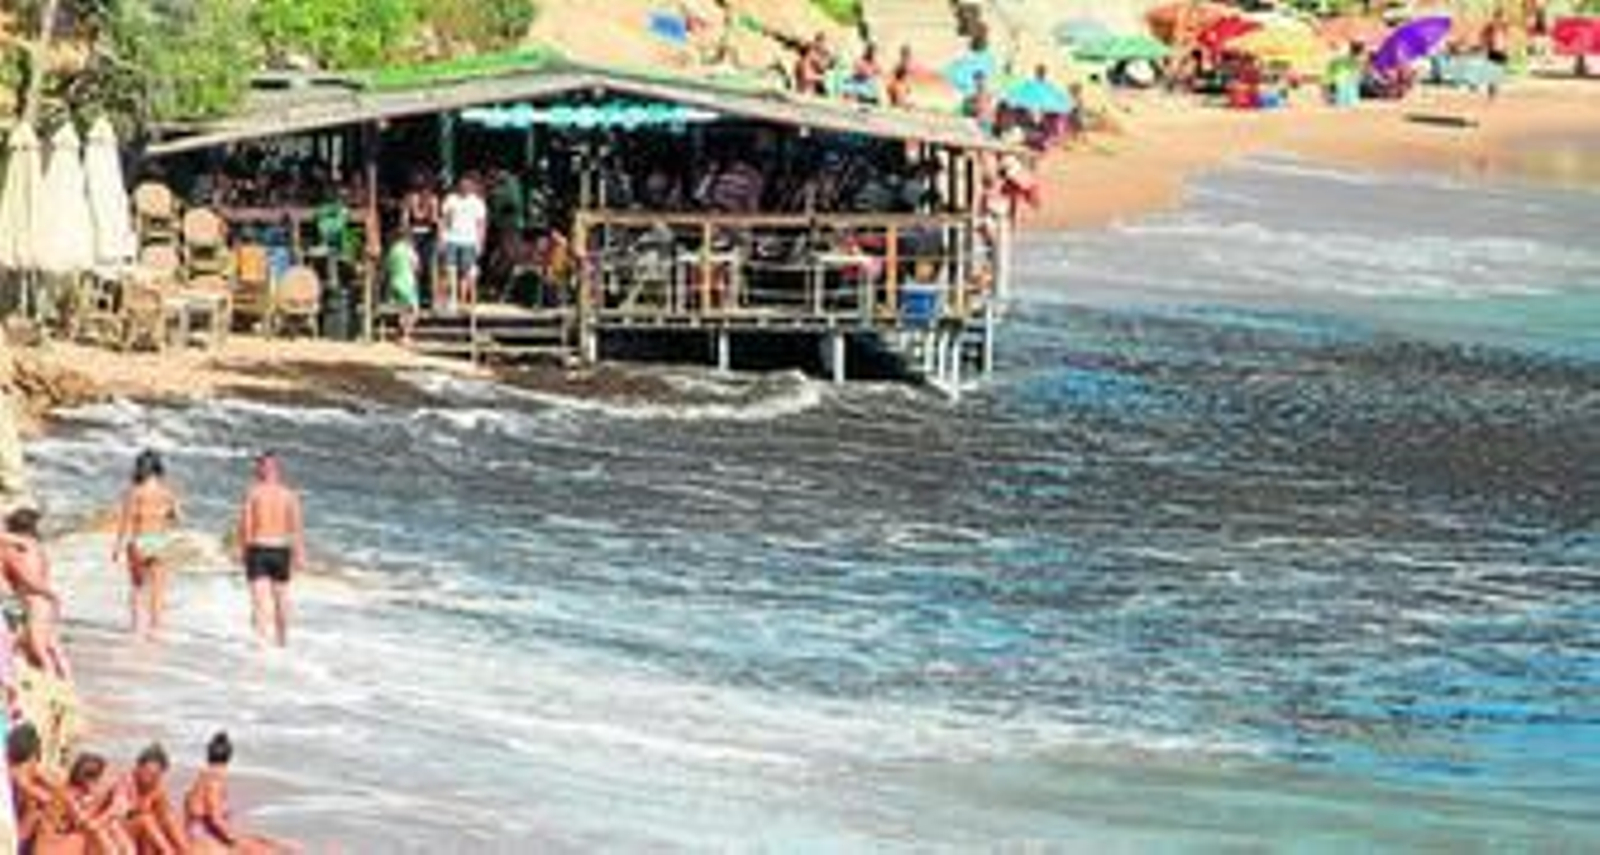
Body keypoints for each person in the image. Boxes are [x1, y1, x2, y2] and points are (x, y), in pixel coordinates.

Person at [236, 455, 304, 648]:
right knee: (281, 599)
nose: (256, 470)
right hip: (281, 548)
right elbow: (296, 527)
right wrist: (299, 554)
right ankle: (282, 642)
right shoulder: (289, 495)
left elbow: (246, 525)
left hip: (258, 547)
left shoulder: (253, 493)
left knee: (259, 600)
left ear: (263, 469)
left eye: (258, 467)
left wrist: (243, 550)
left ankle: (260, 644)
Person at [185, 733, 295, 855]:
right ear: (229, 757)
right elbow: (215, 819)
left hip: (201, 835)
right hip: (205, 840)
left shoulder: (202, 777)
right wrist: (237, 840)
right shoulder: (214, 780)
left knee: (267, 842)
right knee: (273, 849)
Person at [112, 450, 181, 638]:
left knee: (137, 587)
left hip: (140, 540)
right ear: (158, 468)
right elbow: (177, 517)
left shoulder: (135, 492)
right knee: (158, 589)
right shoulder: (167, 492)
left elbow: (125, 521)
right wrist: (165, 514)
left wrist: (117, 547)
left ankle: (137, 628)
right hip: (160, 540)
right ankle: (156, 628)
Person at [0, 508, 70, 681]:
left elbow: (30, 579)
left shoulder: (19, 549)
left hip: (35, 601)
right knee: (50, 645)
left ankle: (50, 680)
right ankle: (64, 680)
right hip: (38, 602)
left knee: (38, 647)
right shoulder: (33, 546)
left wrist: (49, 593)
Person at [121, 744, 187, 855]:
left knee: (169, 818)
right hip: (120, 832)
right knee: (146, 820)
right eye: (147, 772)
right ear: (138, 767)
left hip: (144, 833)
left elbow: (166, 814)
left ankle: (185, 851)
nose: (149, 778)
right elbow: (123, 814)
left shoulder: (156, 786)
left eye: (155, 775)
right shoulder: (127, 782)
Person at [439, 176, 487, 313]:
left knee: (466, 273)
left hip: (470, 240)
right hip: (451, 238)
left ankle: (462, 301)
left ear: (472, 186)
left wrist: (480, 242)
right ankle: (451, 300)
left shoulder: (477, 202)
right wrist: (442, 237)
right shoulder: (451, 199)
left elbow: (481, 224)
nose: (465, 187)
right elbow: (444, 219)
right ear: (458, 186)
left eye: (468, 185)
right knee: (450, 270)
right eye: (462, 184)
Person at [400, 171, 441, 312]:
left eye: (428, 191)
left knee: (429, 267)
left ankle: (431, 300)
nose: (425, 194)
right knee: (413, 267)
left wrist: (434, 220)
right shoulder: (410, 199)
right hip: (413, 235)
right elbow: (404, 220)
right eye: (422, 190)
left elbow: (436, 221)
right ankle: (413, 299)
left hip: (428, 237)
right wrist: (407, 238)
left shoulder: (433, 200)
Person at [384, 230, 421, 345]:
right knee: (414, 311)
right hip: (407, 283)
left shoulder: (393, 250)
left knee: (402, 310)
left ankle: (401, 335)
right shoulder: (409, 250)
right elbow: (416, 266)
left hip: (395, 282)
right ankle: (406, 335)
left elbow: (388, 266)